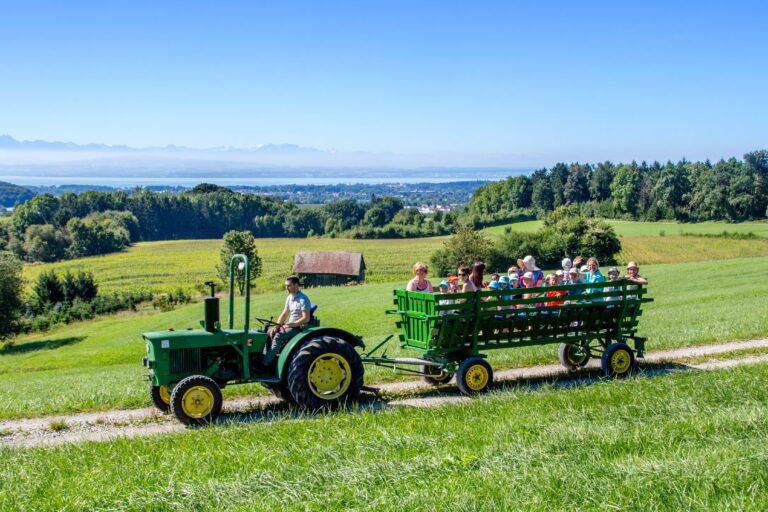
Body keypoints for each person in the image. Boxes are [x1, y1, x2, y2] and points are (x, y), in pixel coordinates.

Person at [264, 276, 311, 367]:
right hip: (289, 325)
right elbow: (284, 314)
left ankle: (265, 363)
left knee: (278, 336)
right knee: (268, 332)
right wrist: (277, 326)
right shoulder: (289, 298)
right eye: (286, 286)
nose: (286, 288)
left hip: (298, 327)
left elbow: (306, 318)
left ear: (296, 285)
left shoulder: (303, 299)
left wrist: (290, 325)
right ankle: (265, 356)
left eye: (288, 286)